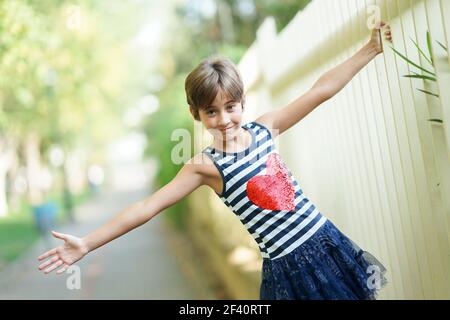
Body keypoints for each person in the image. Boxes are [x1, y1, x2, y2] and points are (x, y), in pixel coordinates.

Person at [38, 21, 392, 300]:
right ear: (196, 113)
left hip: (326, 242)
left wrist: (371, 49)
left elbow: (320, 90)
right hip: (291, 270)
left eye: (230, 107)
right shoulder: (204, 167)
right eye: (211, 111)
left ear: (242, 102)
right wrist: (87, 243)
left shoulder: (266, 128)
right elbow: (147, 206)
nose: (223, 119)